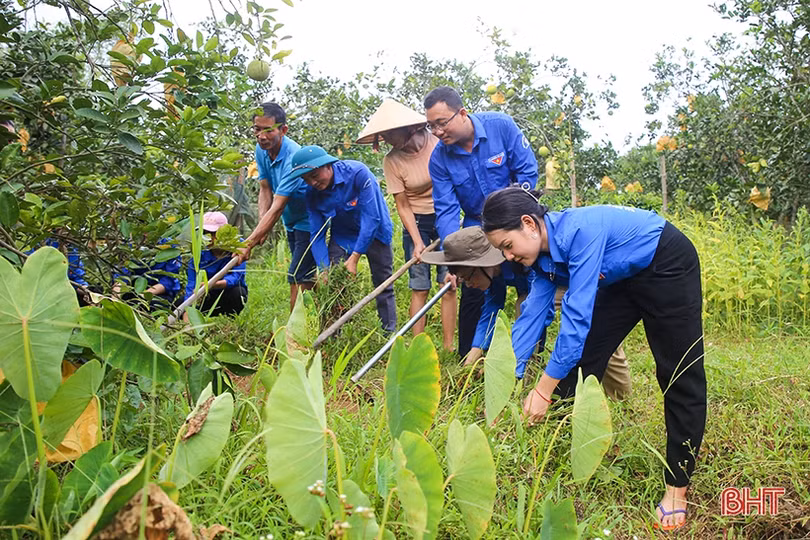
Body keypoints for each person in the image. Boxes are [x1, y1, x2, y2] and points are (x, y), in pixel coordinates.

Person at [481, 187, 706, 531]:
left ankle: (677, 486)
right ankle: (567, 449)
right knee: (581, 362)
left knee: (678, 373)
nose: (507, 257)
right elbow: (531, 318)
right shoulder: (541, 260)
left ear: (529, 223)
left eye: (507, 246)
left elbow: (575, 320)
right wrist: (506, 380)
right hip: (621, 276)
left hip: (666, 263)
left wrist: (541, 391)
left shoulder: (579, 233)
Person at [423, 226, 632, 399]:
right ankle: (521, 386)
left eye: (469, 277)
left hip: (575, 280)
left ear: (482, 264)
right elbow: (491, 309)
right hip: (535, 292)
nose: (469, 284)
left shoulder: (523, 257)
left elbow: (539, 309)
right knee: (522, 308)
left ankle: (622, 401)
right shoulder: (493, 272)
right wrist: (470, 362)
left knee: (603, 338)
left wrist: (505, 365)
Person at [424, 86, 537, 359]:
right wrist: (456, 259)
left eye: (442, 123)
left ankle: (529, 355)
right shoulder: (439, 159)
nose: (438, 132)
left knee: (530, 288)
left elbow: (527, 173)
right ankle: (471, 357)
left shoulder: (501, 126)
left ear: (462, 113)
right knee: (480, 288)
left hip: (515, 220)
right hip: (476, 227)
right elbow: (447, 209)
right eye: (431, 127)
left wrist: (508, 224)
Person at [355, 98, 456, 349]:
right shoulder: (392, 161)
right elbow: (402, 204)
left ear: (408, 127)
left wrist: (450, 228)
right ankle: (417, 346)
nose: (387, 138)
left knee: (449, 284)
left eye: (390, 132)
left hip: (447, 218)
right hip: (417, 222)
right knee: (419, 286)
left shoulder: (437, 145)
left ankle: (448, 347)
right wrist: (417, 241)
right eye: (383, 134)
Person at [286, 145, 397, 333]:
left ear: (328, 165)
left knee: (383, 283)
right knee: (334, 287)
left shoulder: (358, 174)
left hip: (376, 231)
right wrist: (324, 268)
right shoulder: (312, 194)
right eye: (306, 179)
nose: (312, 183)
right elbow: (317, 234)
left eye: (314, 176)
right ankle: (336, 335)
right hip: (343, 235)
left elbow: (371, 219)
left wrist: (354, 258)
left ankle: (389, 333)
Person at [237, 102, 314, 311]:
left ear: (283, 130)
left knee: (297, 275)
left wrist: (248, 244)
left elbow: (278, 206)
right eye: (257, 129)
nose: (261, 136)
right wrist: (262, 225)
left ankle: (296, 332)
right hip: (291, 221)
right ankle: (315, 319)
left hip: (309, 220)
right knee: (306, 275)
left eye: (268, 130)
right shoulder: (261, 150)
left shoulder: (293, 157)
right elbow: (264, 188)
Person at [183, 211, 248, 319]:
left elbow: (236, 278)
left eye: (213, 233)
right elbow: (192, 284)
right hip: (206, 296)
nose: (209, 238)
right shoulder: (198, 253)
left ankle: (230, 318)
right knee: (181, 303)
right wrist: (187, 312)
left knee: (238, 293)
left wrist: (210, 284)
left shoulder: (238, 248)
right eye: (205, 233)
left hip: (226, 293)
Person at [113, 242, 182, 311]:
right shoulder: (130, 244)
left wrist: (142, 296)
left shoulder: (169, 245)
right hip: (133, 289)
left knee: (150, 305)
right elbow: (121, 276)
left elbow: (169, 281)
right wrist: (115, 299)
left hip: (158, 293)